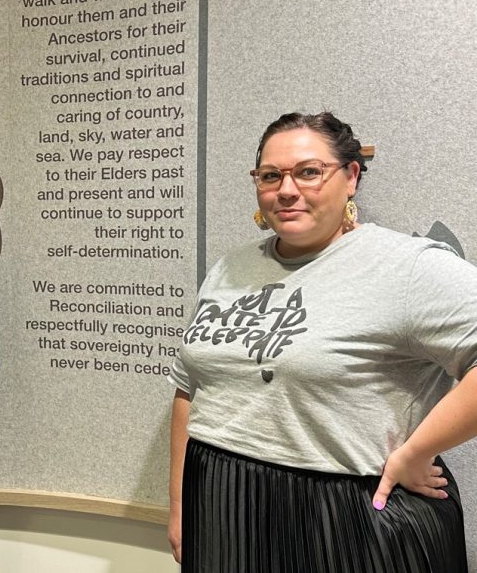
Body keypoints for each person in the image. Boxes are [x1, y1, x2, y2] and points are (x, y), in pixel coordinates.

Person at [168, 111, 477, 572]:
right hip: (222, 501)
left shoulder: (405, 267)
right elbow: (189, 386)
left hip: (350, 513)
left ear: (350, 177)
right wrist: (180, 507)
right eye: (270, 176)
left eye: (309, 172)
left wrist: (415, 453)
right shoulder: (229, 269)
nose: (286, 190)